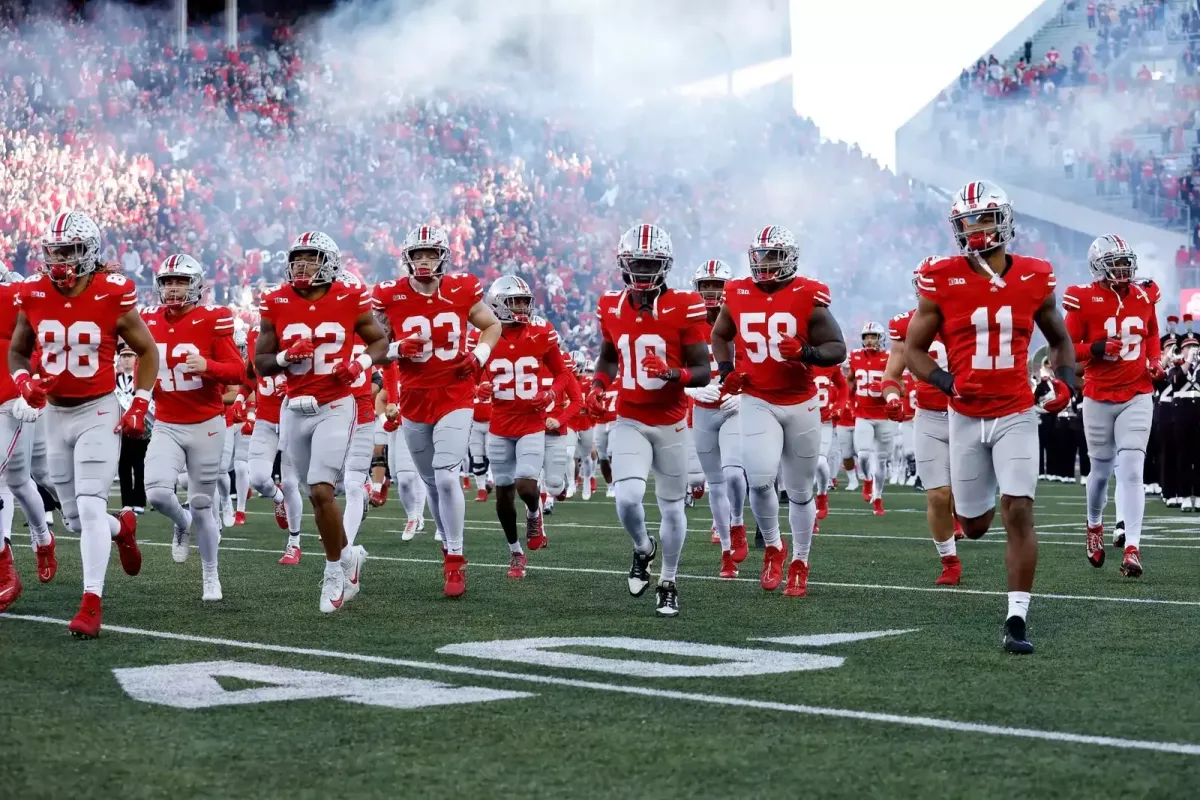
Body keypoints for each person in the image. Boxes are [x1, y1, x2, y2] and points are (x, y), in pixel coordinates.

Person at [904, 181, 1076, 654]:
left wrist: (1065, 380)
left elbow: (1059, 340)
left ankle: (1017, 618)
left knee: (1019, 509)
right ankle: (969, 521)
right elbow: (914, 350)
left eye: (984, 219)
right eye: (968, 222)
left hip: (1016, 411)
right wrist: (945, 382)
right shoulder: (940, 277)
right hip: (964, 414)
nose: (976, 230)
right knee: (976, 526)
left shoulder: (1036, 276)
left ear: (1004, 222)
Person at [9, 210, 159, 638]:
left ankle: (91, 602)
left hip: (98, 409)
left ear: (90, 251)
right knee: (75, 519)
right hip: (55, 414)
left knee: (91, 504)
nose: (59, 259)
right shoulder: (34, 291)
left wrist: (139, 403)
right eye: (54, 251)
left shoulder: (112, 292)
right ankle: (122, 530)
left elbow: (148, 351)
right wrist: (24, 383)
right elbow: (19, 351)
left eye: (69, 250)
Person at [710, 225, 846, 598]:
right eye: (760, 256)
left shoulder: (808, 294)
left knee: (801, 491)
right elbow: (720, 335)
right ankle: (774, 546)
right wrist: (727, 371)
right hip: (758, 399)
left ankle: (800, 561)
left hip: (801, 402)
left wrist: (805, 353)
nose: (765, 263)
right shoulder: (736, 292)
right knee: (759, 478)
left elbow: (837, 348)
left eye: (773, 256)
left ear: (790, 259)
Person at [256, 231, 387, 613]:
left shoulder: (349, 296)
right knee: (309, 491)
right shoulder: (275, 300)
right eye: (297, 259)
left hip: (336, 403)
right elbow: (260, 361)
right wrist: (283, 359)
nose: (302, 265)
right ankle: (348, 557)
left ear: (328, 262)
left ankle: (333, 572)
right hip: (294, 405)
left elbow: (378, 342)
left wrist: (358, 363)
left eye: (311, 258)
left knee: (323, 490)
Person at [586, 223, 711, 616]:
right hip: (630, 417)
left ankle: (669, 581)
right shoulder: (610, 304)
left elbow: (703, 370)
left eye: (650, 262)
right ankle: (643, 547)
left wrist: (673, 374)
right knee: (626, 499)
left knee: (673, 507)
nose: (642, 269)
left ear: (664, 265)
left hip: (672, 420)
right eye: (636, 262)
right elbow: (608, 355)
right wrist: (598, 383)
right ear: (624, 263)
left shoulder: (685, 304)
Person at [371, 224, 502, 598]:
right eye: (417, 255)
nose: (424, 261)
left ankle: (456, 560)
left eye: (430, 254)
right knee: (430, 481)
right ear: (407, 259)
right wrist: (397, 350)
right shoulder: (390, 296)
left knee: (446, 476)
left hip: (456, 394)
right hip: (414, 398)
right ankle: (447, 542)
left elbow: (492, 325)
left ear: (443, 256)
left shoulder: (462, 289)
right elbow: (373, 347)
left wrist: (478, 356)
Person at [141, 254, 243, 600]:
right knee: (156, 493)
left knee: (202, 503)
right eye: (168, 282)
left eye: (181, 281)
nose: (173, 288)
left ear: (196, 285)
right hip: (167, 422)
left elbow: (238, 372)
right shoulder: (148, 320)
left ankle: (210, 574)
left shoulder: (213, 319)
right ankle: (181, 523)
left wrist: (209, 366)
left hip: (207, 423)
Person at [1064, 237, 1160, 577]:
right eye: (1115, 263)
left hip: (1137, 392)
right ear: (1099, 266)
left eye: (1125, 262)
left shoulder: (1146, 294)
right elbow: (1067, 349)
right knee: (1101, 473)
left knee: (1133, 469)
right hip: (1099, 395)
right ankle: (1093, 526)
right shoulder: (1082, 298)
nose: (1123, 269)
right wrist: (1096, 347)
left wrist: (1154, 359)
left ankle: (1132, 547)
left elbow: (1150, 333)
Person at [478, 275, 571, 577]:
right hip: (500, 423)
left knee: (526, 484)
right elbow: (468, 374)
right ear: (496, 305)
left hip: (531, 422)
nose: (521, 307)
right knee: (503, 495)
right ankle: (515, 552)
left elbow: (563, 374)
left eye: (524, 301)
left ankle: (534, 513)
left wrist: (551, 393)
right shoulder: (483, 335)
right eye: (514, 301)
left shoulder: (542, 330)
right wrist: (478, 388)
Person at [882, 266, 964, 586]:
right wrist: (891, 397)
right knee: (937, 495)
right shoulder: (906, 324)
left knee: (966, 498)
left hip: (966, 415)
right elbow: (892, 375)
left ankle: (962, 516)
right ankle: (949, 561)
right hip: (928, 415)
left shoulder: (968, 318)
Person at [687, 259, 748, 579]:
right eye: (705, 285)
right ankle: (726, 553)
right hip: (703, 411)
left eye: (717, 285)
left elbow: (758, 361)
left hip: (736, 408)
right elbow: (673, 368)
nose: (710, 291)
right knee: (714, 485)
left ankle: (737, 523)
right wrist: (691, 391)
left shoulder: (740, 319)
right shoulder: (686, 323)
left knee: (735, 475)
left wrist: (745, 393)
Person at [0, 266, 54, 613]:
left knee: (20, 481)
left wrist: (34, 388)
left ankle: (5, 570)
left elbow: (49, 338)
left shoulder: (12, 297)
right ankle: (43, 539)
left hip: (11, 401)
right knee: (18, 483)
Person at [246, 317, 306, 563]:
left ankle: (294, 542)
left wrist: (296, 389)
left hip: (294, 419)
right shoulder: (254, 335)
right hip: (266, 419)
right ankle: (277, 497)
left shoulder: (303, 331)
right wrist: (243, 398)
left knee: (293, 483)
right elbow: (252, 373)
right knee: (258, 479)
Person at [849, 321, 893, 516]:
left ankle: (878, 497)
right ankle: (867, 479)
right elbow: (849, 380)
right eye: (867, 336)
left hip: (884, 415)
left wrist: (886, 389)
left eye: (873, 336)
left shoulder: (890, 358)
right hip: (863, 414)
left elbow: (898, 381)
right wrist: (849, 401)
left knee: (882, 462)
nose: (869, 340)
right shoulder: (855, 357)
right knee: (864, 455)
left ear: (881, 338)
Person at [115, 346, 149, 513]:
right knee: (123, 467)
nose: (127, 359)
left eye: (130, 356)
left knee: (140, 466)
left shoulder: (142, 379)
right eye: (124, 356)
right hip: (121, 429)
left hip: (141, 428)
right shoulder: (114, 380)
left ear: (136, 359)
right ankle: (127, 502)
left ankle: (140, 501)